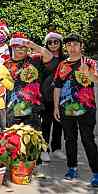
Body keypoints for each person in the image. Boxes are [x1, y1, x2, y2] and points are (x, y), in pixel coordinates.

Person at [53, 33, 98, 186]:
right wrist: (55, 107)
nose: (72, 47)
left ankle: (96, 173)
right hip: (66, 108)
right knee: (69, 139)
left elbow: (96, 80)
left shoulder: (90, 62)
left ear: (81, 45)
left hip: (87, 108)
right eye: (69, 45)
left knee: (88, 140)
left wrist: (88, 73)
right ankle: (72, 168)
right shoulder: (62, 65)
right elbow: (57, 86)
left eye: (75, 44)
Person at [4, 31, 53, 129]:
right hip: (12, 111)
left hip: (33, 111)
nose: (22, 49)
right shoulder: (5, 65)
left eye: (24, 47)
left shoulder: (35, 59)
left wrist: (33, 45)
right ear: (12, 47)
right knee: (14, 141)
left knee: (33, 141)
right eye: (18, 46)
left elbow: (49, 56)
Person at [40, 32, 67, 162]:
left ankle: (56, 148)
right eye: (50, 42)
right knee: (45, 123)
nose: (53, 44)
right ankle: (44, 150)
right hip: (46, 95)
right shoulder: (42, 57)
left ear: (60, 44)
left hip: (61, 95)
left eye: (56, 42)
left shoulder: (66, 59)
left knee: (59, 123)